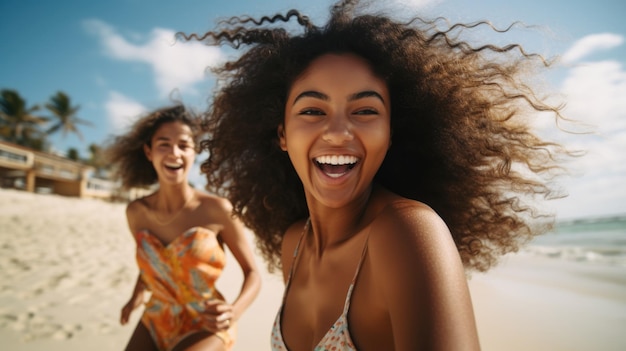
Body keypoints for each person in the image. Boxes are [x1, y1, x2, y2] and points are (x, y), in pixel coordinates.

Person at [178, 0, 572, 349]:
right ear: (282, 135)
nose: (336, 131)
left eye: (365, 111)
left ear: (390, 132)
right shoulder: (294, 244)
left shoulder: (408, 232)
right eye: (312, 110)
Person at [106, 105, 261, 351]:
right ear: (149, 152)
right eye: (164, 144)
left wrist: (234, 310)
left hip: (206, 320)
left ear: (194, 152)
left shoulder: (217, 209)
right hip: (157, 315)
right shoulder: (136, 213)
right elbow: (155, 264)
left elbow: (252, 272)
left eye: (184, 145)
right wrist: (137, 295)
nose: (174, 153)